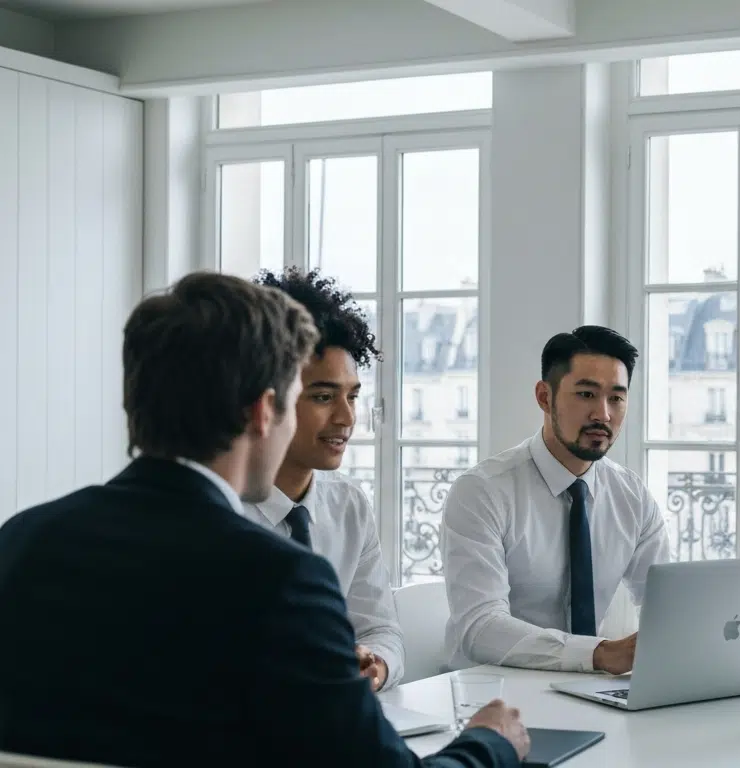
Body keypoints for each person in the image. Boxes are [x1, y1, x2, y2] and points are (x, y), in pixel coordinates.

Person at [0, 272, 528, 767]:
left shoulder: (20, 540)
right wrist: (490, 743)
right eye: (306, 398)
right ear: (263, 411)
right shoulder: (277, 580)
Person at [442, 326, 669, 674]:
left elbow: (666, 603)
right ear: (544, 397)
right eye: (586, 395)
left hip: (589, 691)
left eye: (616, 398)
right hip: (493, 695)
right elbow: (481, 628)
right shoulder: (482, 491)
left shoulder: (631, 496)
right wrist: (599, 654)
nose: (603, 415)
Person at [241, 267, 404, 691]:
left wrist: (374, 669)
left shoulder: (348, 505)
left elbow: (383, 631)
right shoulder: (221, 512)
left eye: (352, 396)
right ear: (268, 399)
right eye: (323, 397)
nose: (347, 418)